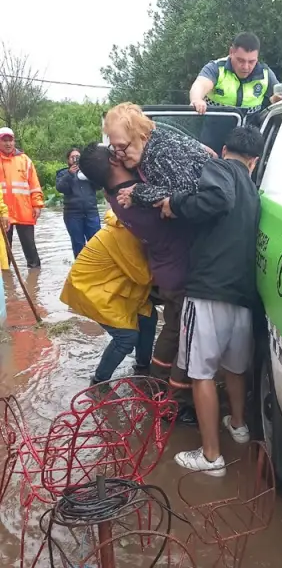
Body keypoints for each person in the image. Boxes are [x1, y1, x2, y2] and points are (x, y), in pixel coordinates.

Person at [165, 127, 264, 476]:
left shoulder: (220, 168)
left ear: (225, 149)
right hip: (242, 295)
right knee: (235, 367)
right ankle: (238, 426)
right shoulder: (254, 190)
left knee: (201, 373)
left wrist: (173, 204)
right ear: (254, 161)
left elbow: (216, 199)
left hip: (207, 290)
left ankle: (210, 458)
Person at [78, 142, 198, 423]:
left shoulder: (116, 193)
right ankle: (170, 400)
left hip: (158, 269)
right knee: (177, 333)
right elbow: (183, 199)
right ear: (114, 162)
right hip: (173, 271)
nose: (124, 151)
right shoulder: (134, 197)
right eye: (117, 150)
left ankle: (147, 374)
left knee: (157, 323)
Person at [60, 209, 157, 386]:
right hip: (93, 289)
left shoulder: (130, 227)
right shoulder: (124, 233)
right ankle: (98, 382)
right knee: (126, 337)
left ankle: (143, 368)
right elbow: (143, 276)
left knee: (148, 316)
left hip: (115, 285)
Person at [104, 103, 214, 211]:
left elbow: (186, 193)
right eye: (114, 147)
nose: (118, 154)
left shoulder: (162, 154)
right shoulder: (145, 151)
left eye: (122, 146)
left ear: (143, 138)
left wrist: (138, 192)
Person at [188, 32, 282, 145]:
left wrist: (279, 100)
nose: (246, 67)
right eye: (241, 60)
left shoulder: (265, 74)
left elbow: (279, 96)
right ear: (231, 52)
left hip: (247, 146)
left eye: (252, 61)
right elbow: (200, 85)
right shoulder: (216, 68)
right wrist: (197, 99)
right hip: (213, 143)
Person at [0, 127, 44, 268]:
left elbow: (34, 185)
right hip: (3, 214)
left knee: (30, 249)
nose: (8, 144)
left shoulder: (25, 160)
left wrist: (37, 205)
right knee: (4, 254)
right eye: (4, 140)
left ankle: (35, 280)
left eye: (10, 140)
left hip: (23, 211)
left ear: (14, 141)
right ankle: (7, 284)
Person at [56, 147, 101, 258]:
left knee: (97, 242)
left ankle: (97, 268)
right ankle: (81, 269)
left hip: (91, 212)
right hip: (73, 214)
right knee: (78, 244)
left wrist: (91, 174)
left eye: (78, 157)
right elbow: (60, 188)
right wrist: (70, 175)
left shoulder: (88, 171)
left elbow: (99, 186)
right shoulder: (63, 173)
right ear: (68, 160)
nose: (75, 159)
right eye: (72, 157)